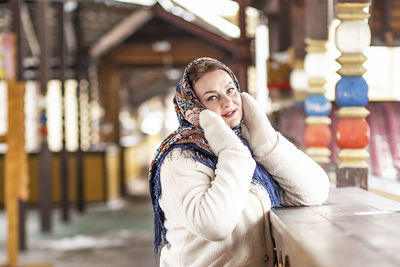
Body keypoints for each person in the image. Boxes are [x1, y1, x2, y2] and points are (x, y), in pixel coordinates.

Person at [149, 57, 330, 267]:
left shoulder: (248, 143)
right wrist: (232, 152)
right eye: (212, 97)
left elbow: (313, 192)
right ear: (194, 107)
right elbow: (213, 224)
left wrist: (266, 142)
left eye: (230, 90)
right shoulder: (181, 157)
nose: (227, 102)